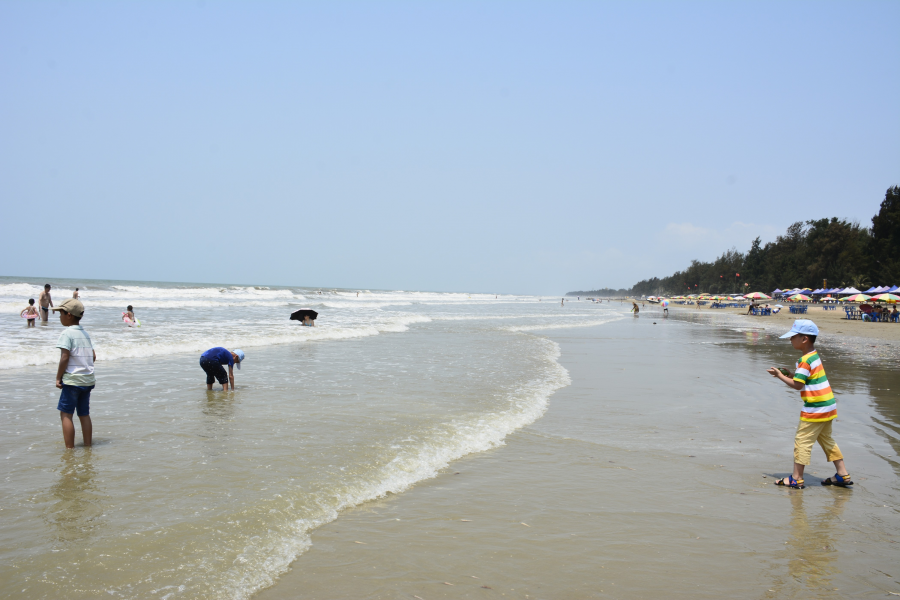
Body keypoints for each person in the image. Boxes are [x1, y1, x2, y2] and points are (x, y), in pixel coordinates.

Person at [766, 320, 851, 489]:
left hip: (815, 408)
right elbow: (803, 380)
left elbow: (798, 385)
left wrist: (780, 376)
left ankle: (796, 478)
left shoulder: (804, 360)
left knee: (802, 441)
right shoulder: (814, 356)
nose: (790, 340)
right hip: (828, 406)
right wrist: (791, 374)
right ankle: (842, 474)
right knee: (827, 439)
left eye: (793, 337)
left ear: (804, 339)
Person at [51, 299, 96, 449]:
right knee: (84, 414)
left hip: (72, 381)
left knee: (66, 414)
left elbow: (65, 357)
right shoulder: (85, 334)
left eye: (60, 314)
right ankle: (88, 445)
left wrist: (58, 377)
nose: (59, 317)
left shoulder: (67, 334)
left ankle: (70, 449)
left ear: (69, 315)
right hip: (87, 380)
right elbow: (93, 356)